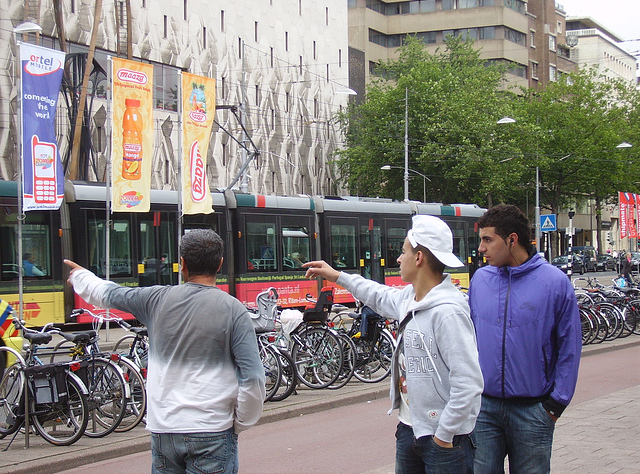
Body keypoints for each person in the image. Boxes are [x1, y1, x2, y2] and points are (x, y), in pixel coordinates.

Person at [64, 229, 265, 474]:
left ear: (182, 263)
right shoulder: (234, 310)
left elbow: (109, 293)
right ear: (220, 264)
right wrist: (241, 422)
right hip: (211, 429)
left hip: (164, 430)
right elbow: (253, 378)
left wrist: (80, 277)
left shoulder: (155, 299)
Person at [304, 215, 483, 473]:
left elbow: (469, 384)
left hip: (444, 441)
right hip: (409, 430)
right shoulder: (409, 298)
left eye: (403, 252)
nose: (398, 259)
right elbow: (377, 294)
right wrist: (337, 276)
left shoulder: (449, 313)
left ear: (419, 257)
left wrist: (444, 434)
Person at [468, 204, 581, 474]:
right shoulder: (480, 280)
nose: (481, 248)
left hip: (534, 409)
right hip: (484, 409)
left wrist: (555, 405)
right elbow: (468, 339)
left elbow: (569, 347)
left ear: (512, 239)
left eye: (487, 239)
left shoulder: (554, 282)